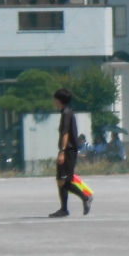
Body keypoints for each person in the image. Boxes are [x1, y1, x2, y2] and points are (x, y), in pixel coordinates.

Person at [50, 88, 92, 217]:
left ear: (59, 100)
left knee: (63, 180)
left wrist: (62, 151)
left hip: (68, 150)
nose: (54, 101)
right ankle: (64, 209)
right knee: (61, 180)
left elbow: (65, 133)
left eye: (55, 99)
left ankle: (85, 197)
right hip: (69, 150)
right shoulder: (67, 112)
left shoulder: (66, 113)